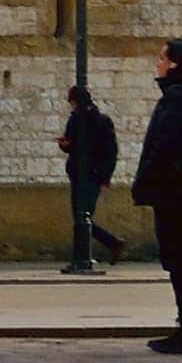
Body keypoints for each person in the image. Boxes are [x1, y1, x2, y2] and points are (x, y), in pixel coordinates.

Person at [128, 35, 182, 354]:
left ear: (175, 64)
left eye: (162, 58)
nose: (158, 63)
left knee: (181, 260)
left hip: (174, 192)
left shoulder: (177, 98)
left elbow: (163, 146)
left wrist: (145, 184)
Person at [61, 85, 124, 268]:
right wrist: (66, 145)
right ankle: (109, 244)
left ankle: (101, 248)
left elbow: (109, 150)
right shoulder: (79, 120)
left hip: (91, 175)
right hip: (84, 174)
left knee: (82, 216)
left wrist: (105, 176)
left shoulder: (97, 121)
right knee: (82, 216)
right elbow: (73, 145)